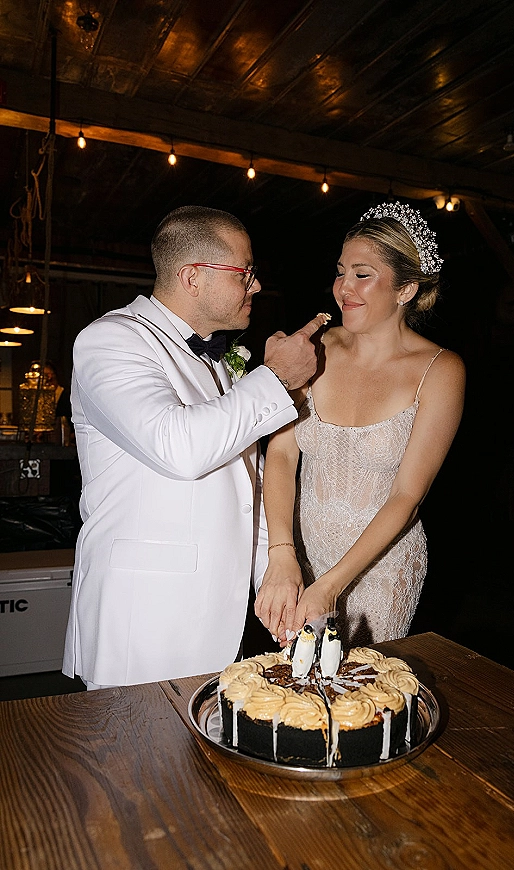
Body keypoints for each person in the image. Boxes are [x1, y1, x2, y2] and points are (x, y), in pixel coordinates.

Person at [62, 205, 328, 688]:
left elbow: (244, 485)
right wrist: (275, 378)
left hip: (215, 615)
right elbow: (179, 448)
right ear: (191, 277)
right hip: (144, 623)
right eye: (244, 273)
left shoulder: (219, 363)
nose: (256, 286)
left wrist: (275, 572)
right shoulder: (109, 341)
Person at [255, 201, 465, 649]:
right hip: (300, 555)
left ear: (406, 288)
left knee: (361, 696)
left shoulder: (440, 370)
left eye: (362, 274)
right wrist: (281, 555)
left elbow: (407, 496)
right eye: (340, 271)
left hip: (379, 567)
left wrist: (331, 586)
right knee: (296, 696)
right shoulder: (314, 349)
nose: (343, 287)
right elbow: (281, 453)